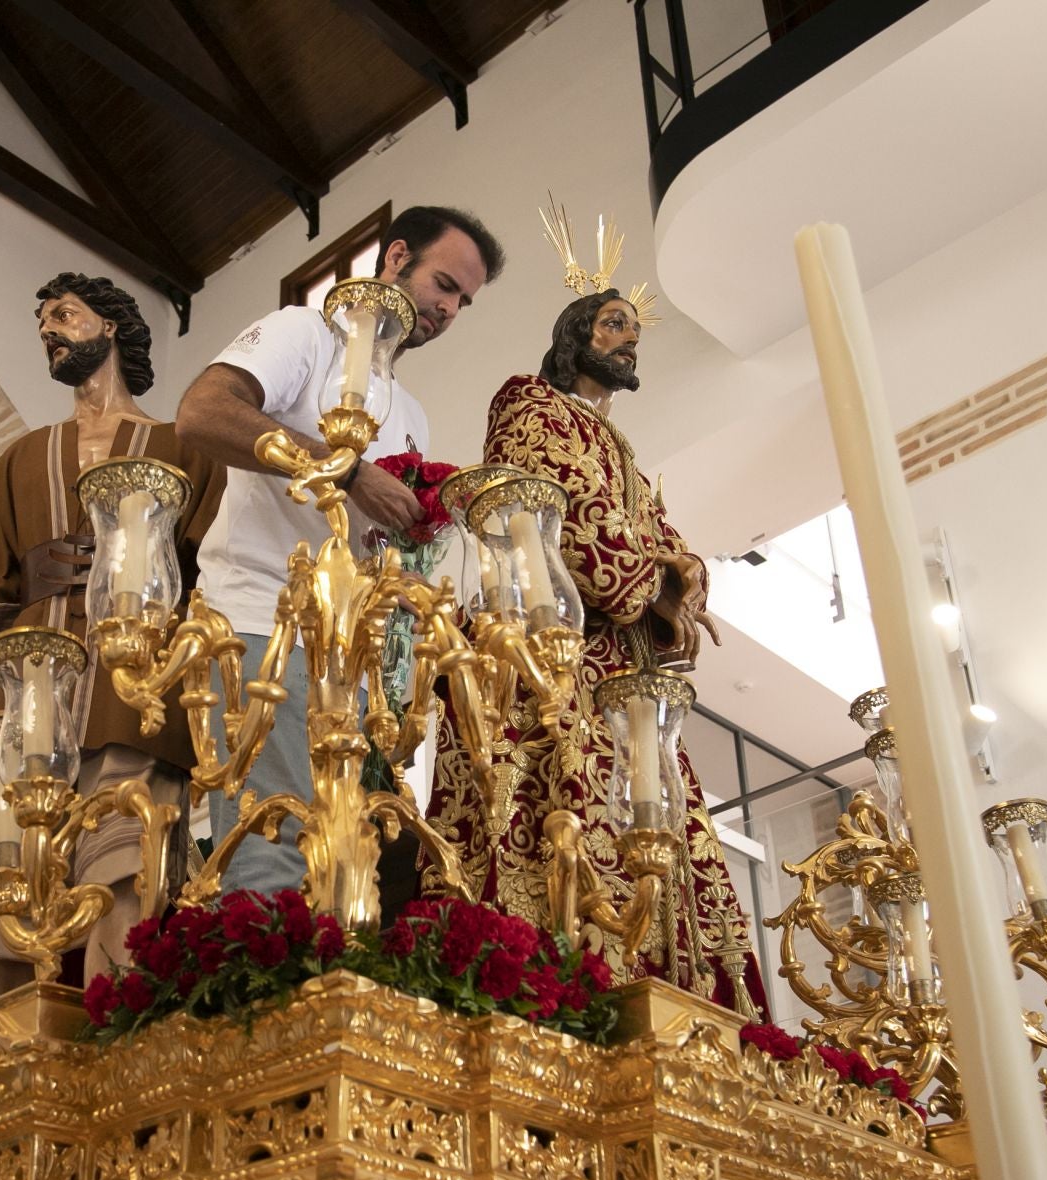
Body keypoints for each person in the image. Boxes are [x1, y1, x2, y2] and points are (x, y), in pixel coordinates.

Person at [426, 262, 767, 1010]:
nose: (628, 341)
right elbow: (572, 522)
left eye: (634, 332)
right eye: (614, 325)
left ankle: (678, 1000)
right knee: (562, 810)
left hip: (624, 669)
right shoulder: (529, 403)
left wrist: (681, 575)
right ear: (575, 334)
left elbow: (665, 541)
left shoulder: (626, 455)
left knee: (652, 824)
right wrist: (653, 579)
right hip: (552, 652)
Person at [176, 205, 505, 895]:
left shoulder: (409, 412)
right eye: (445, 284)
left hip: (352, 660)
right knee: (272, 854)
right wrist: (349, 471)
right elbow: (203, 412)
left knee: (339, 868)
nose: (449, 309)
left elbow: (368, 533)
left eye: (464, 302)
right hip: (264, 621)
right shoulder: (306, 333)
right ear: (396, 258)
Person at [0, 273, 224, 999]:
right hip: (32, 696)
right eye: (43, 319)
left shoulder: (181, 446)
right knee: (11, 884)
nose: (49, 328)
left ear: (112, 328)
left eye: (65, 315)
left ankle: (112, 1035)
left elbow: (216, 577)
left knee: (125, 874)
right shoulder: (20, 458)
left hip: (137, 694)